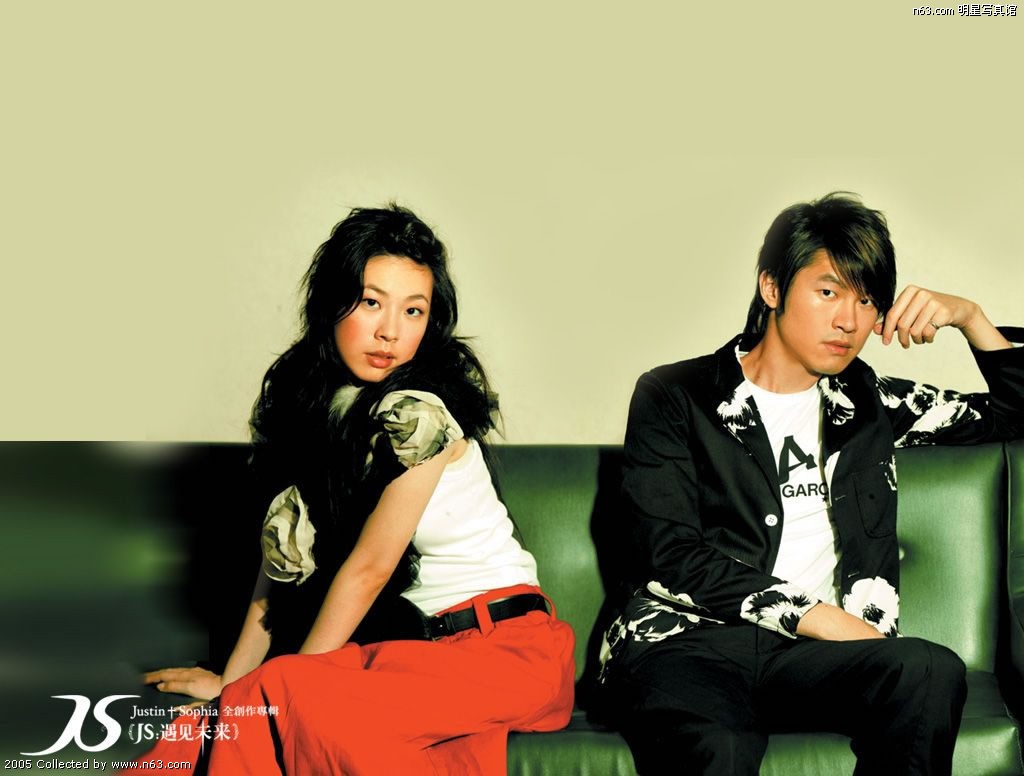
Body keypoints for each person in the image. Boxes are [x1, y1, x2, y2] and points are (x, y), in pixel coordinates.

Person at [131, 205, 575, 774]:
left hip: (508, 652)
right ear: (331, 302)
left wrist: (279, 689)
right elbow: (279, 568)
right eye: (371, 302)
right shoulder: (313, 413)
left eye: (413, 310)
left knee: (286, 703)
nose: (391, 330)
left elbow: (370, 568)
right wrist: (234, 688)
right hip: (414, 658)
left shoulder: (420, 416)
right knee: (206, 728)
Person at [596, 192, 1024, 776]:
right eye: (828, 292)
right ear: (772, 288)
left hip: (809, 662)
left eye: (867, 300)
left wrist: (971, 317)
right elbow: (668, 553)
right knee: (720, 747)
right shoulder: (676, 395)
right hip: (688, 647)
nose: (849, 321)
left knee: (929, 669)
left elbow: (1015, 413)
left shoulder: (871, 404)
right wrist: (822, 617)